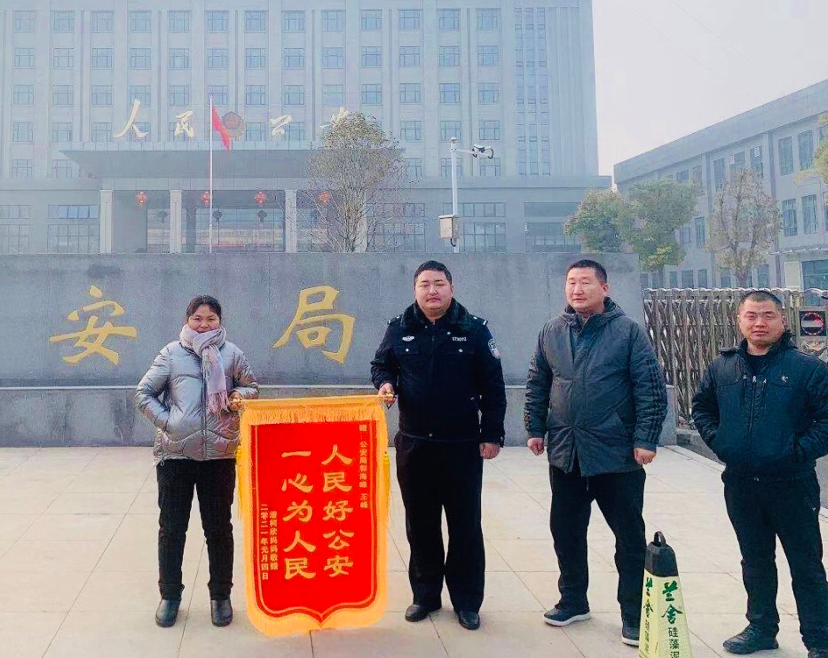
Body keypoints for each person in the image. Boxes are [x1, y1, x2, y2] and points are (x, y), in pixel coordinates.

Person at [524, 259, 667, 646]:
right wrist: (535, 428)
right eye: (571, 282)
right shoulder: (552, 331)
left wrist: (645, 438)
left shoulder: (627, 332)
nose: (577, 289)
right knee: (566, 531)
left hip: (616, 454)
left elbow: (650, 388)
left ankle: (633, 615)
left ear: (604, 288)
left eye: (585, 282)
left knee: (628, 538)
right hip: (566, 452)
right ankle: (573, 600)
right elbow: (538, 381)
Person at [371, 260, 507, 631]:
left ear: (451, 288)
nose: (432, 291)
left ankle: (467, 601)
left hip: (461, 446)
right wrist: (385, 384)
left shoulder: (474, 329)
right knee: (421, 524)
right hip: (415, 445)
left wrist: (492, 434)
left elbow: (493, 386)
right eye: (425, 284)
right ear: (415, 290)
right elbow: (381, 365)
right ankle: (425, 596)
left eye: (439, 284)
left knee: (465, 526)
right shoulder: (399, 328)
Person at [692, 290, 828, 658]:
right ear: (739, 321)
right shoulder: (722, 367)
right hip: (740, 484)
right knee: (754, 560)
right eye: (751, 316)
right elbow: (701, 408)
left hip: (792, 484)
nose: (759, 323)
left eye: (768, 315)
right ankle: (761, 628)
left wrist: (795, 452)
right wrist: (722, 443)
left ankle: (819, 640)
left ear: (782, 320)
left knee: (806, 564)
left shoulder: (808, 369)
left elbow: (825, 420)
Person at [136, 295, 258, 628]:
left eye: (211, 318)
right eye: (197, 318)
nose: (204, 325)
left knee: (218, 528)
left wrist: (239, 395)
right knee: (172, 528)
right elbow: (143, 394)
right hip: (175, 456)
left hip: (219, 455)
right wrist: (169, 423)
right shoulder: (171, 354)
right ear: (187, 320)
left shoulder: (232, 354)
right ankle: (170, 595)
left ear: (220, 321)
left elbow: (253, 388)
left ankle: (220, 596)